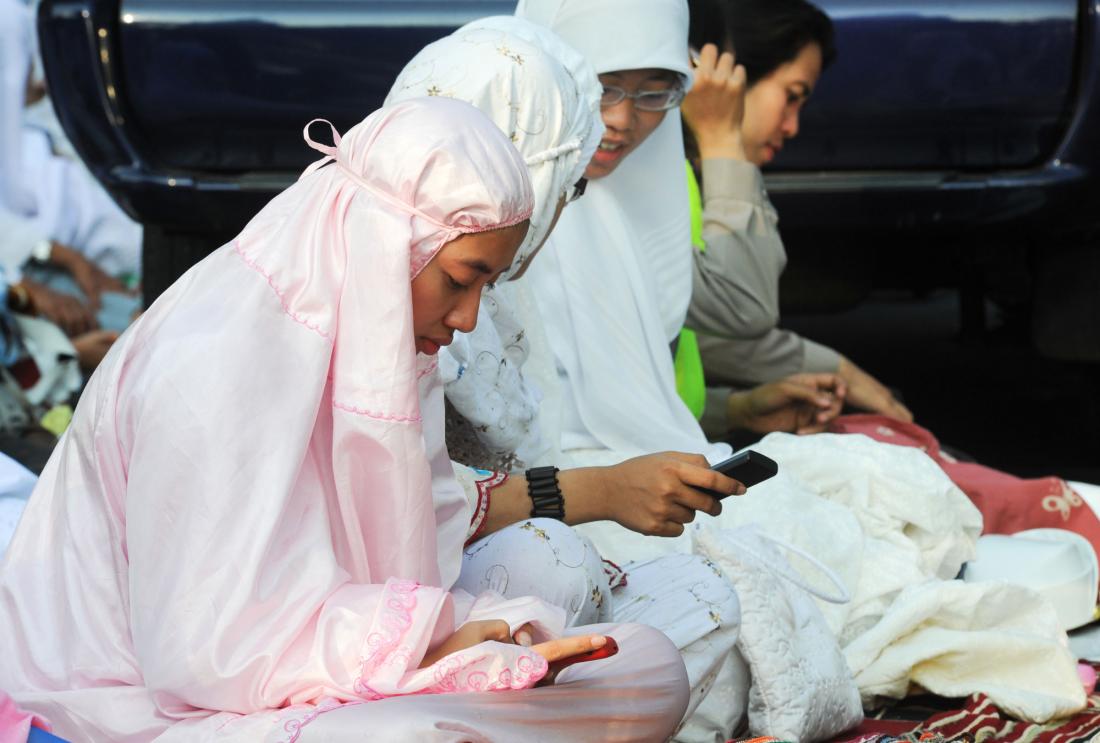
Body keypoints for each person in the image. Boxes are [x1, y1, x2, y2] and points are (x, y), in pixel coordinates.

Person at [0, 98, 691, 742]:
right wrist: (436, 652)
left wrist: (484, 644)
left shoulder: (386, 346)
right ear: (390, 244)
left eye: (487, 285)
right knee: (409, 734)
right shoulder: (214, 355)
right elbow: (203, 656)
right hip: (134, 707)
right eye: (459, 278)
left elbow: (424, 546)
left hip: (344, 672)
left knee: (650, 666)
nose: (468, 318)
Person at [388, 18, 746, 742]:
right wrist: (431, 647)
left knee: (703, 597)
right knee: (552, 565)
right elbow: (367, 533)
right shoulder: (328, 306)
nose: (467, 317)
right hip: (337, 645)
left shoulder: (493, 271)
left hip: (450, 590)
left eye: (652, 94)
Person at [681, 0, 912, 437]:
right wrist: (722, 137)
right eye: (791, 96)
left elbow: (688, 329)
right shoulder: (661, 172)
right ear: (727, 77)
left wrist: (735, 410)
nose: (792, 127)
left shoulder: (691, 170)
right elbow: (744, 310)